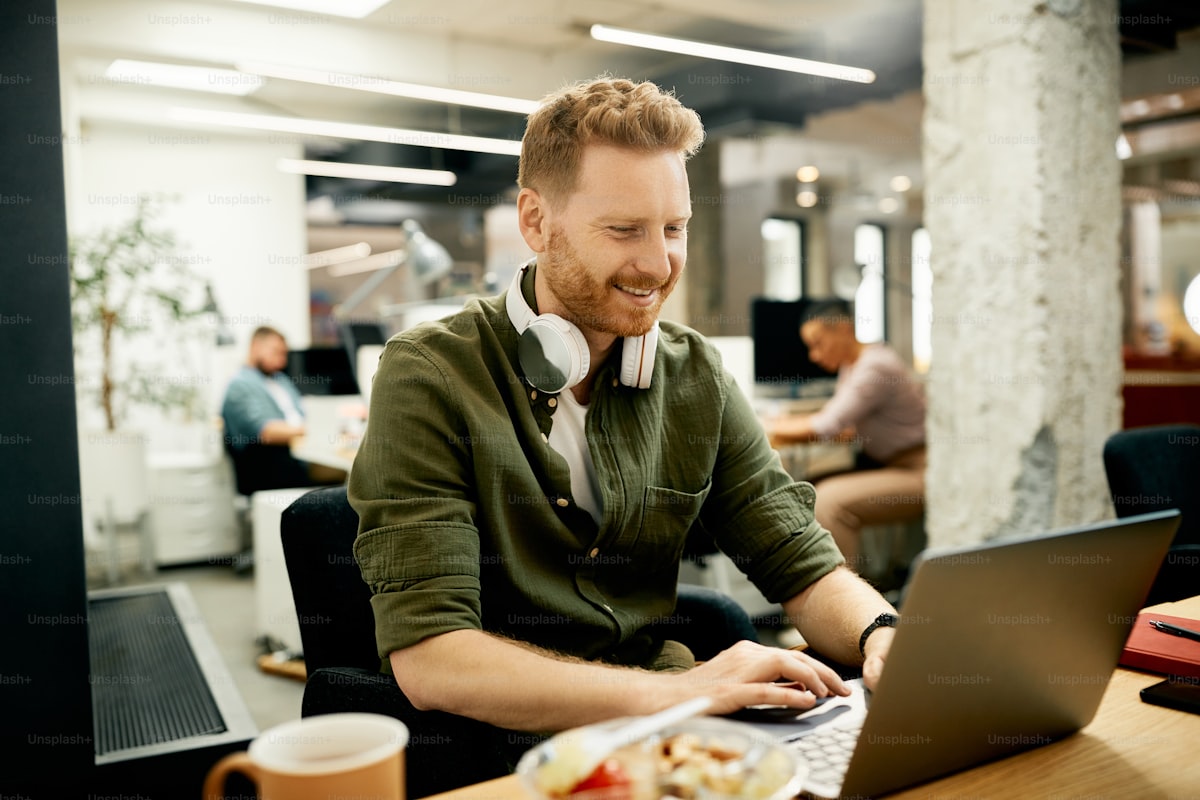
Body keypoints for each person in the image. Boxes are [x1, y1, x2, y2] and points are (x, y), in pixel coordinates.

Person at [348, 77, 897, 791]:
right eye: (623, 230)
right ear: (536, 221)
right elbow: (433, 660)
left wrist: (883, 635)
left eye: (674, 228)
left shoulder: (694, 373)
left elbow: (801, 562)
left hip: (670, 740)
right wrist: (684, 692)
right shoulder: (430, 375)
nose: (659, 263)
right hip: (506, 752)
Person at [768, 299, 926, 575]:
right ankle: (808, 586)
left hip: (918, 472)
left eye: (818, 343)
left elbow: (826, 425)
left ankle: (847, 605)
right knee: (805, 489)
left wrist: (766, 428)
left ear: (843, 329)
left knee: (828, 503)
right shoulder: (852, 366)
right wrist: (785, 426)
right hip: (889, 465)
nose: (814, 356)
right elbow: (842, 428)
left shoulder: (875, 367)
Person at [221, 325, 343, 496]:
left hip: (300, 454)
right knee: (346, 478)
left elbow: (302, 414)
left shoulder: (280, 380)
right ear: (255, 346)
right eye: (276, 352)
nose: (282, 361)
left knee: (350, 473)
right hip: (270, 467)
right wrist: (314, 431)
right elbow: (267, 431)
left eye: (284, 354)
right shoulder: (240, 385)